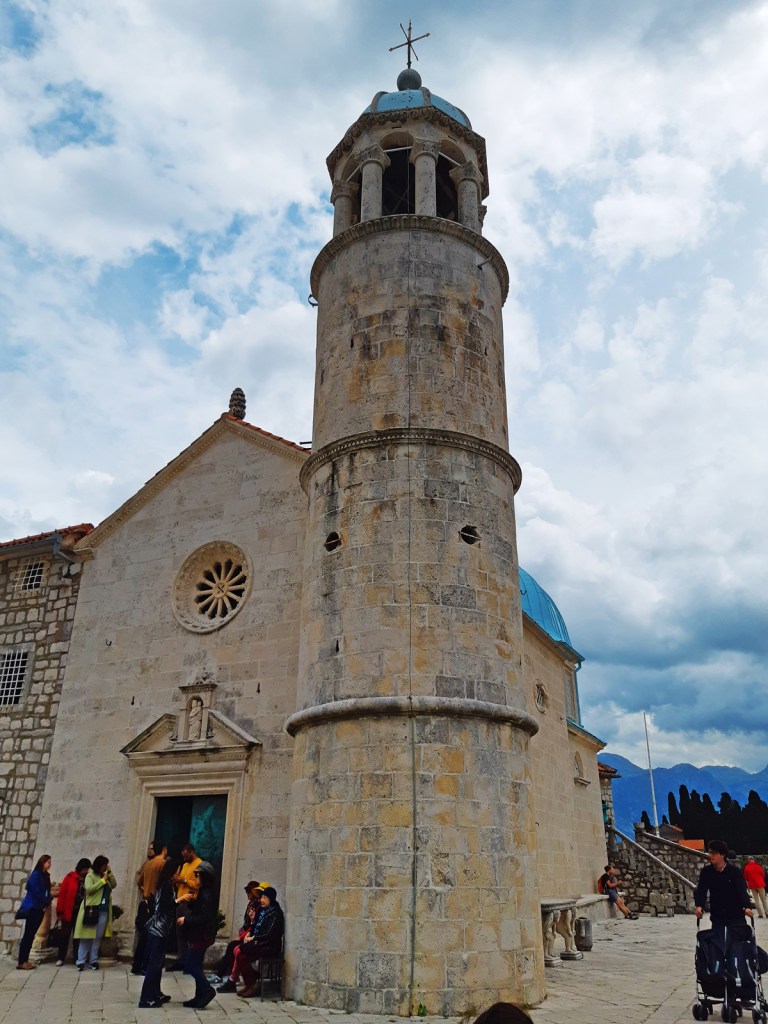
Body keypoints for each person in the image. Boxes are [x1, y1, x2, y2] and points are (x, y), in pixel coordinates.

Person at [176, 860, 218, 1009]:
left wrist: (186, 919)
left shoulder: (206, 895)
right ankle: (199, 996)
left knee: (191, 965)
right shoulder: (204, 893)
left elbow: (203, 917)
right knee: (196, 965)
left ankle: (207, 990)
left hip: (201, 936)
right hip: (199, 935)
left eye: (198, 876)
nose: (196, 879)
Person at [230, 886, 284, 999]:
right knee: (239, 952)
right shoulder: (265, 912)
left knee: (241, 955)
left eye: (264, 897)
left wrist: (254, 939)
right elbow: (257, 929)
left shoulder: (275, 913)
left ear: (271, 899)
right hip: (261, 943)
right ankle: (250, 984)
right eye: (261, 897)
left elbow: (269, 934)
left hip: (270, 946)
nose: (261, 900)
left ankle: (252, 984)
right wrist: (253, 920)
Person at [138, 857, 178, 1008]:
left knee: (158, 962)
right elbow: (164, 907)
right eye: (177, 871)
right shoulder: (167, 886)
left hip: (160, 930)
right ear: (172, 872)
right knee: (154, 964)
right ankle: (146, 998)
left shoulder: (165, 885)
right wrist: (179, 901)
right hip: (158, 930)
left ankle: (155, 993)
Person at [694, 839, 752, 941]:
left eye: (714, 853)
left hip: (736, 915)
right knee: (719, 945)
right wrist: (699, 905)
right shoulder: (706, 872)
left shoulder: (734, 872)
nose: (711, 855)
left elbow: (742, 890)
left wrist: (747, 906)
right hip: (718, 915)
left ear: (723, 855)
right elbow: (702, 890)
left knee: (738, 946)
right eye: (710, 852)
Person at [212, 881, 265, 986]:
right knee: (234, 948)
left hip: (253, 937)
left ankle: (229, 976)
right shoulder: (252, 904)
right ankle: (231, 976)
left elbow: (255, 926)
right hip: (248, 935)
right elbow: (248, 923)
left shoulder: (258, 906)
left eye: (249, 891)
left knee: (235, 948)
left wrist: (246, 936)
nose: (248, 894)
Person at [74, 855, 117, 970]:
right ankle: (81, 960)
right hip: (92, 909)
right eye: (104, 865)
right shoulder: (90, 876)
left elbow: (114, 885)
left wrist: (110, 873)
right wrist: (102, 881)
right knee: (86, 936)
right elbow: (89, 889)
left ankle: (93, 960)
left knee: (97, 937)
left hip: (103, 910)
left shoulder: (106, 876)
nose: (105, 868)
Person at [132, 840, 168, 975]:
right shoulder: (162, 864)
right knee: (153, 937)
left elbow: (139, 881)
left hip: (145, 902)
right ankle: (147, 965)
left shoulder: (147, 864)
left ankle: (137, 965)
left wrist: (146, 889)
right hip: (155, 904)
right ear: (164, 849)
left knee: (143, 937)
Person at [168, 842, 202, 970]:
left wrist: (185, 881)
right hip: (180, 901)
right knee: (180, 934)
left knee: (189, 934)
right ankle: (180, 960)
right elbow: (180, 883)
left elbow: (198, 885)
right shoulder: (185, 865)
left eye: (186, 855)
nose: (184, 858)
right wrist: (177, 881)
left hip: (191, 903)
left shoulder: (199, 864)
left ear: (191, 852)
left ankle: (190, 962)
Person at [16, 854, 53, 970]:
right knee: (28, 935)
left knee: (30, 934)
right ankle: (22, 961)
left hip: (40, 907)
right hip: (34, 908)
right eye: (48, 862)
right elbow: (37, 893)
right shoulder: (36, 876)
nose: (50, 864)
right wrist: (46, 901)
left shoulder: (44, 876)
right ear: (42, 863)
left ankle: (24, 960)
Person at [54, 858, 91, 966]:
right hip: (69, 911)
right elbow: (62, 895)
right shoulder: (70, 878)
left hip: (81, 912)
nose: (86, 871)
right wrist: (60, 911)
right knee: (64, 936)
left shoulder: (87, 880)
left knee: (77, 936)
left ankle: (76, 957)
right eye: (85, 869)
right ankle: (61, 957)